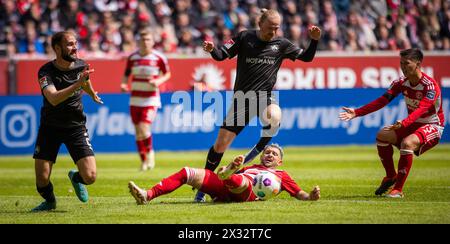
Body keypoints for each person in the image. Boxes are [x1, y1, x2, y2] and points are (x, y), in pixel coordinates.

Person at [194, 8, 321, 202]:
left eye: (277, 28)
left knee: (275, 115)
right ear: (260, 24)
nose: (274, 32)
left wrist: (314, 40)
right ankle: (203, 188)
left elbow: (307, 57)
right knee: (219, 146)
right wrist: (212, 50)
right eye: (271, 27)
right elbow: (221, 55)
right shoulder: (245, 37)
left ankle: (256, 150)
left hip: (265, 97)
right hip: (242, 100)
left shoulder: (282, 44)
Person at [339, 48, 444, 198]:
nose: (402, 67)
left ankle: (398, 190)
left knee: (407, 144)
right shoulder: (401, 82)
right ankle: (390, 176)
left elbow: (422, 108)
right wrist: (357, 112)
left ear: (418, 64)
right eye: (401, 63)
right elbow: (383, 100)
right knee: (382, 135)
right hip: (412, 124)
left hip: (432, 125)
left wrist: (405, 122)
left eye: (406, 63)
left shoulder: (430, 85)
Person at [32, 31, 103, 212]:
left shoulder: (81, 65)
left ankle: (76, 178)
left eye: (75, 43)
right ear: (57, 48)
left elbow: (85, 82)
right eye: (70, 44)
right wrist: (77, 84)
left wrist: (92, 93)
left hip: (76, 127)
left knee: (91, 176)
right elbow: (53, 98)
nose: (75, 47)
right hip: (50, 128)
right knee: (42, 180)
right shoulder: (45, 71)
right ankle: (49, 201)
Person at [128, 143, 320, 204]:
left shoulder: (281, 175)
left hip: (246, 192)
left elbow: (299, 193)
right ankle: (147, 195)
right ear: (261, 157)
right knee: (187, 172)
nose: (269, 154)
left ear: (280, 161)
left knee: (242, 181)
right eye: (267, 152)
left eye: (274, 154)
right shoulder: (251, 168)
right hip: (230, 186)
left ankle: (227, 173)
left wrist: (310, 197)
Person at [121, 28, 171, 171]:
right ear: (138, 41)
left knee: (144, 127)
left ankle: (150, 155)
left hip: (151, 99)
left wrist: (158, 81)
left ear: (153, 42)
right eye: (143, 39)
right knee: (138, 132)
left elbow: (167, 74)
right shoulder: (133, 58)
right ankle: (144, 161)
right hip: (135, 99)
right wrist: (124, 84)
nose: (145, 42)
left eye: (148, 39)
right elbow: (126, 74)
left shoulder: (159, 58)